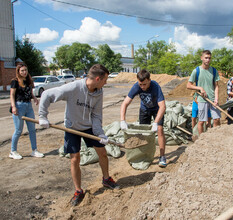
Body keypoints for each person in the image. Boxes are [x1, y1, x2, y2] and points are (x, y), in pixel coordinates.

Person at [38, 64, 119, 206]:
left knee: (103, 152)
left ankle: (106, 179)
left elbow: (96, 115)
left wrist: (100, 133)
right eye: (105, 80)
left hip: (88, 127)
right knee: (75, 158)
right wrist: (42, 116)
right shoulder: (73, 88)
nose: (106, 83)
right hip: (72, 127)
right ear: (98, 78)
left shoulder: (99, 92)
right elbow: (46, 94)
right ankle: (78, 191)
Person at [120, 69, 167, 167]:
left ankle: (162, 157)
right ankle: (143, 156)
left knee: (159, 129)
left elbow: (163, 106)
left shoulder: (155, 87)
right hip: (144, 109)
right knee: (143, 134)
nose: (142, 87)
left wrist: (156, 122)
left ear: (149, 80)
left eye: (144, 84)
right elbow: (125, 103)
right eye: (140, 84)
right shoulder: (136, 86)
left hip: (156, 109)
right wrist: (122, 120)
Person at [9, 63, 44, 160]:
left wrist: (34, 98)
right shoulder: (15, 81)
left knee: (32, 129)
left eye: (26, 70)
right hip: (19, 106)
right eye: (22, 71)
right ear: (18, 72)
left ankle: (34, 150)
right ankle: (13, 151)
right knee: (18, 130)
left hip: (29, 106)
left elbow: (30, 92)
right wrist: (13, 107)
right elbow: (12, 95)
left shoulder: (28, 80)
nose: (24, 72)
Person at [187, 50, 221, 135]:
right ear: (201, 58)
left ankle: (216, 138)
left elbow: (216, 86)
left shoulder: (213, 71)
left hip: (212, 99)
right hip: (202, 99)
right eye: (206, 58)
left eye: (209, 58)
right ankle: (201, 141)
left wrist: (216, 99)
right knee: (201, 121)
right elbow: (189, 85)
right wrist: (200, 88)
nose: (208, 60)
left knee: (217, 119)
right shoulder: (196, 71)